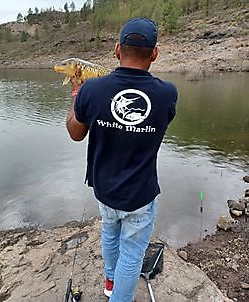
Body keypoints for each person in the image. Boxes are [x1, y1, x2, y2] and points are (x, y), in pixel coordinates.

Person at [66, 18, 178, 302]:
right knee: (132, 252)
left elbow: (75, 133)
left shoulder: (92, 90)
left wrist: (77, 94)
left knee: (110, 232)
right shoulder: (167, 94)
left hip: (105, 190)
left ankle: (110, 283)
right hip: (140, 194)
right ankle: (117, 294)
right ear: (155, 53)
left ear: (117, 49)